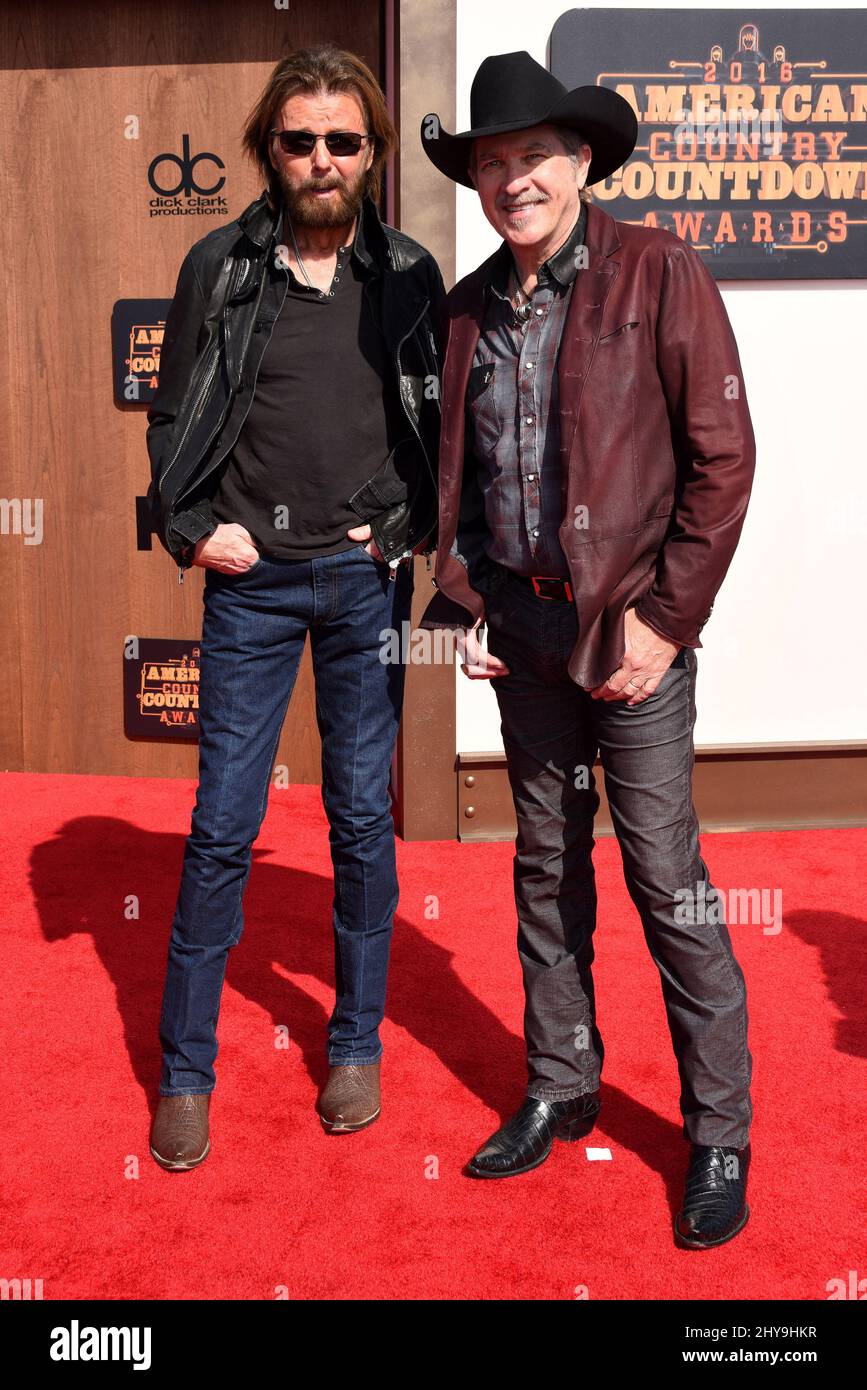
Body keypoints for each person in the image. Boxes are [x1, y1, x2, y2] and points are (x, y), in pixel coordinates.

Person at [419, 51, 756, 1249]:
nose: (512, 181)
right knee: (544, 868)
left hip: (634, 630)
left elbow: (723, 464)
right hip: (525, 629)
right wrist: (463, 608)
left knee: (667, 878)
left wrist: (666, 624)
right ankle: (561, 1084)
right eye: (492, 163)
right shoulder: (462, 309)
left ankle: (719, 1129)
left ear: (581, 162)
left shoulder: (658, 271)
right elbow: (455, 478)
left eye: (532, 159)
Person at [146, 44, 445, 1169]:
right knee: (225, 824)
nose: (321, 160)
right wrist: (189, 527)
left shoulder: (410, 275)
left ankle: (355, 1043)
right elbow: (172, 414)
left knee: (362, 819)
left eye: (343, 141)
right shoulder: (219, 266)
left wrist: (405, 521)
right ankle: (184, 1073)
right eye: (298, 139)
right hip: (253, 589)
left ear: (370, 153)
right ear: (267, 148)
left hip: (365, 583)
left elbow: (437, 435)